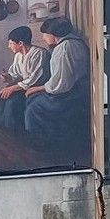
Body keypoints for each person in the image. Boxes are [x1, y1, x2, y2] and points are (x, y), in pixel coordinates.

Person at [24, 17, 90, 151]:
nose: (43, 38)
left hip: (71, 95)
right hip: (75, 90)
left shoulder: (64, 48)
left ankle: (43, 144)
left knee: (34, 106)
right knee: (33, 99)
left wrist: (37, 88)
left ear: (54, 34)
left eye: (45, 34)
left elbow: (60, 84)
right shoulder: (74, 42)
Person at [0, 26, 49, 134]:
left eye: (11, 43)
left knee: (12, 101)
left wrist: (13, 88)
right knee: (2, 95)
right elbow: (16, 74)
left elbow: (35, 78)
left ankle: (14, 132)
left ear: (20, 43)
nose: (9, 46)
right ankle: (1, 130)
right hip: (24, 86)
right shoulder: (18, 56)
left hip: (38, 87)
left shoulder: (39, 53)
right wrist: (7, 77)